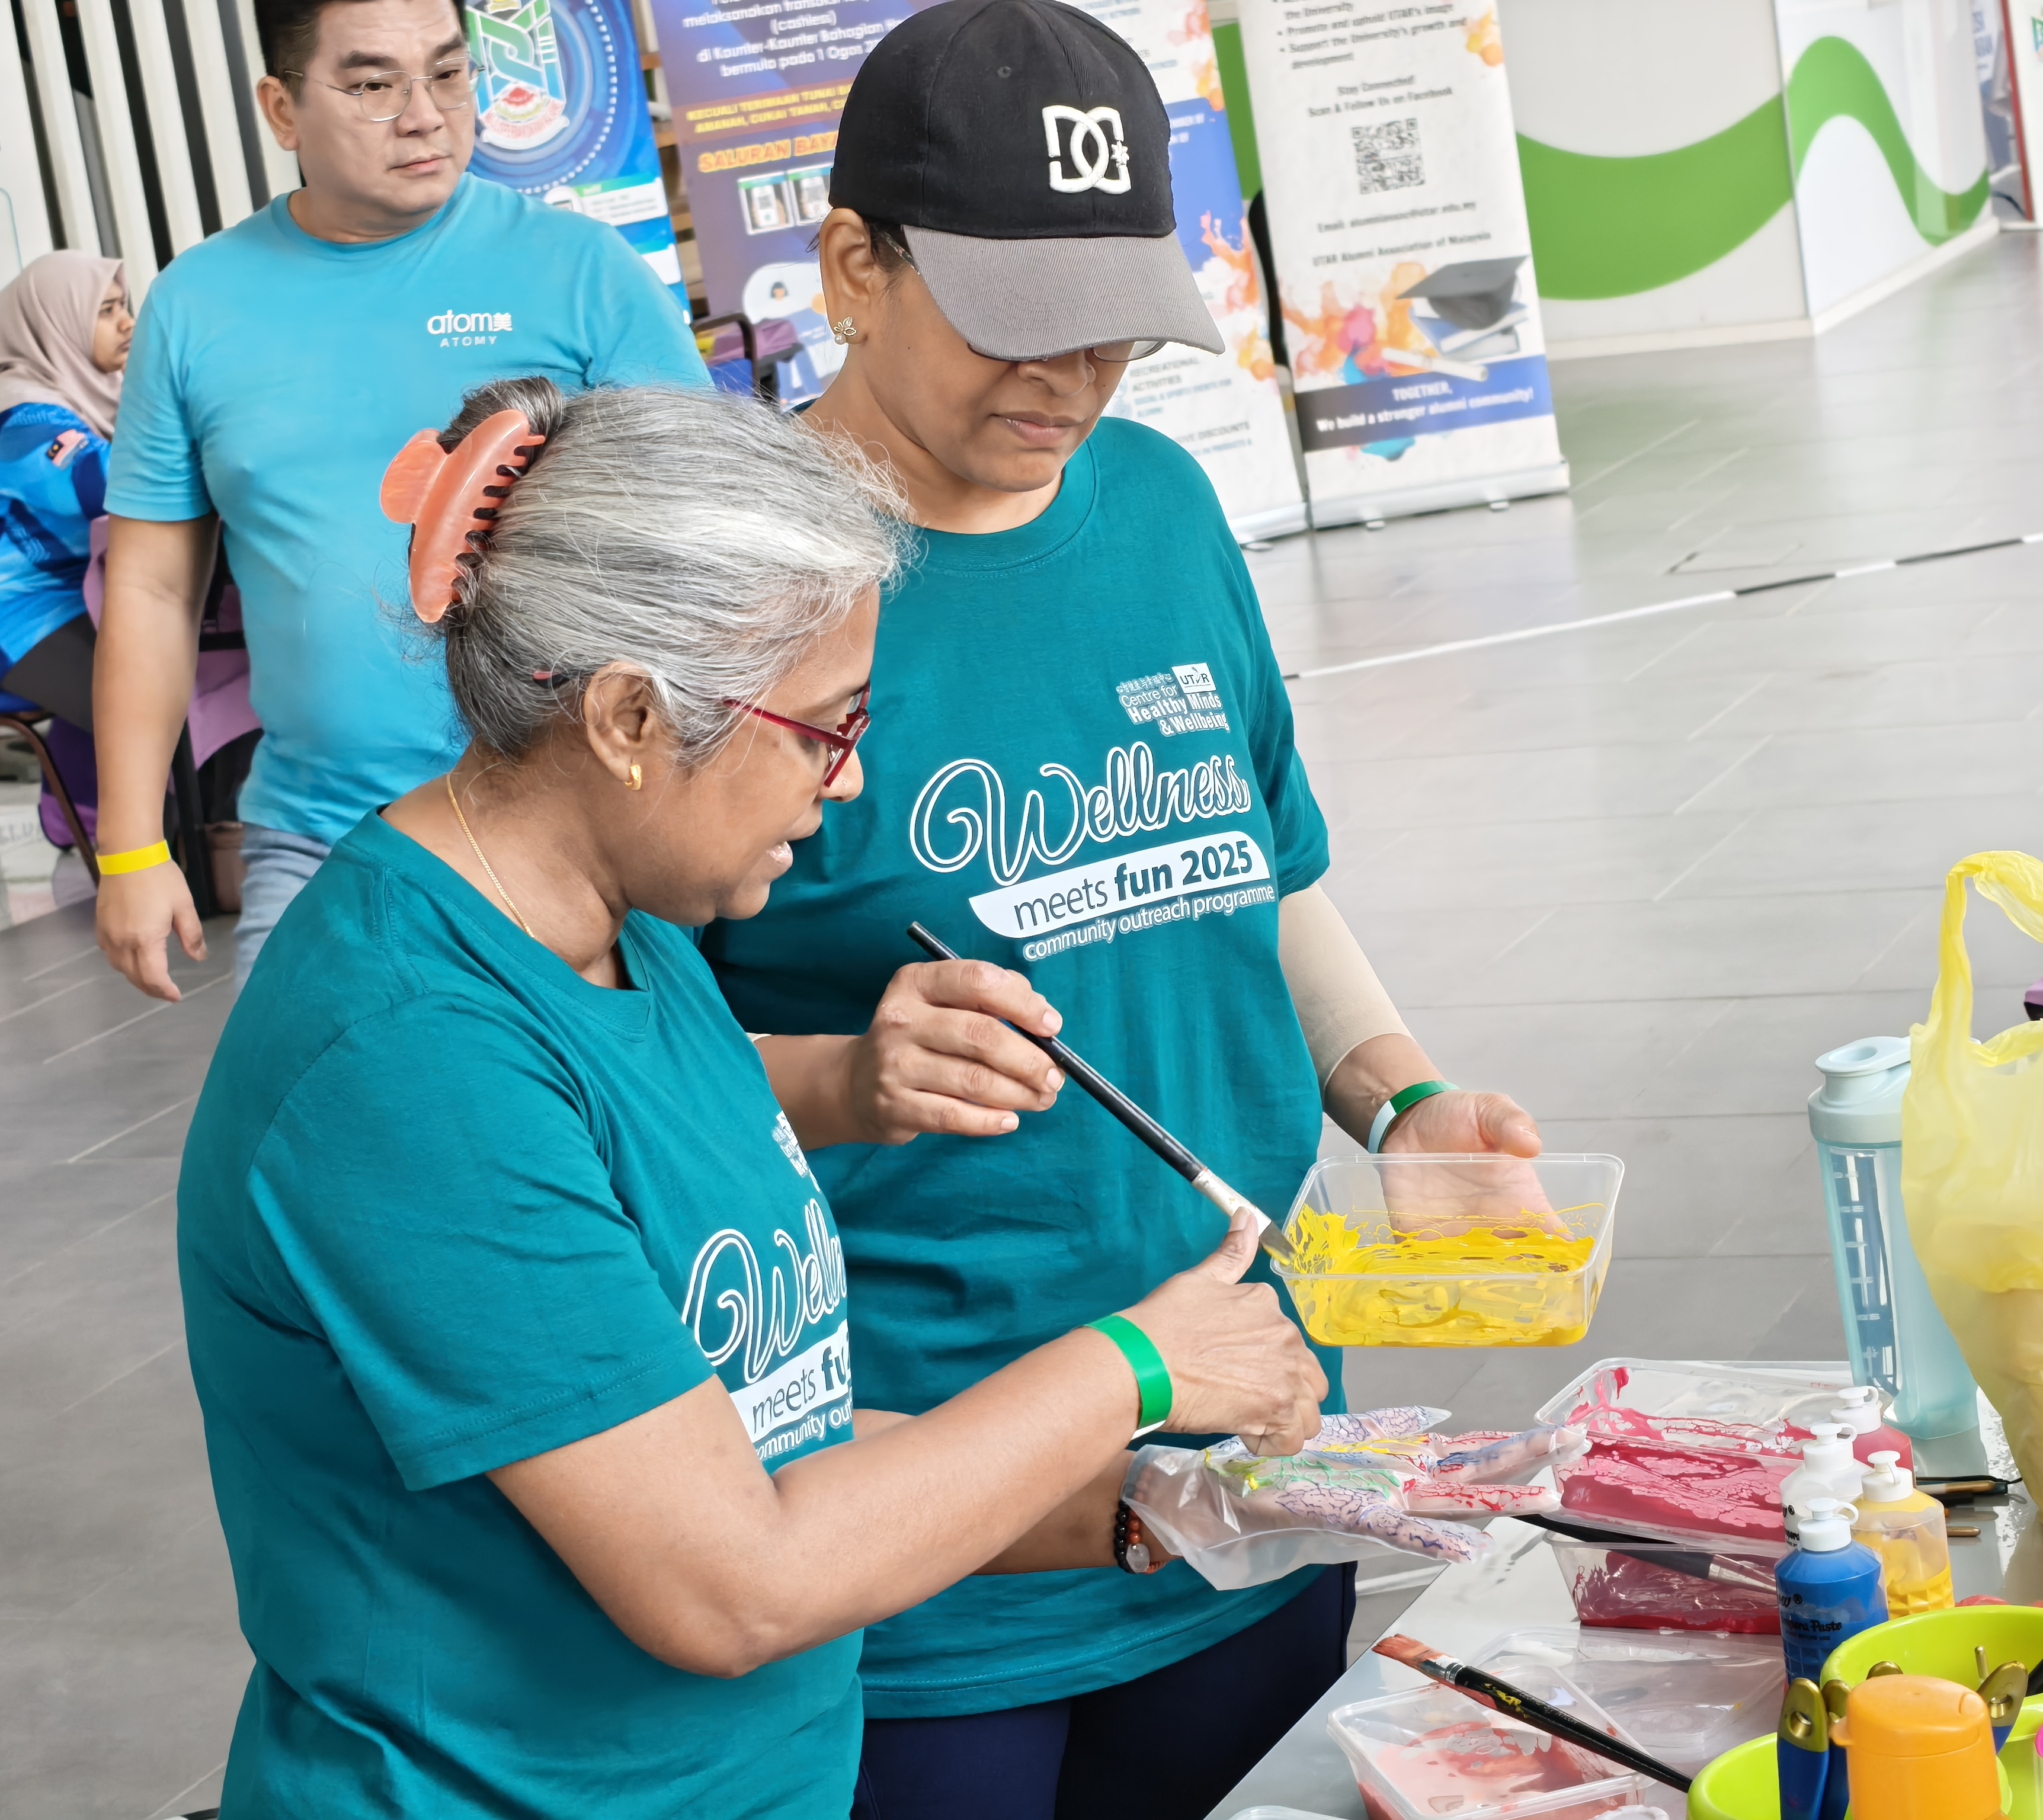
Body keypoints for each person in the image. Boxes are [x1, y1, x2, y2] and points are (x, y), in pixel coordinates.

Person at [177, 377, 1325, 1819]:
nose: (847, 788)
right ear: (627, 717)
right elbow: (729, 1578)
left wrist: (1159, 1503)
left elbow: (775, 1434)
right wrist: (1138, 1364)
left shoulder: (631, 931)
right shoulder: (409, 1060)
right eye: (826, 729)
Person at [699, 5, 1545, 1814]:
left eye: (1115, 324)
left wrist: (1401, 1101)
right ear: (853, 265)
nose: (1073, 378)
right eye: (1015, 322)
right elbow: (604, 1056)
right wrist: (844, 1069)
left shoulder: (1158, 506)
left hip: (1243, 1441)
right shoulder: (742, 588)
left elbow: (1258, 871)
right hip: (923, 1501)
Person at [95, 0, 706, 999]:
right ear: (281, 109)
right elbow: (154, 592)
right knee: (319, 1141)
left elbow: (703, 541)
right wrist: (128, 848)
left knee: (596, 1147)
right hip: (321, 837)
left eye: (450, 74)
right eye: (374, 85)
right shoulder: (195, 307)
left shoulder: (581, 272)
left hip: (576, 827)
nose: (425, 115)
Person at [0, 250, 130, 727]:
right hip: (8, 617)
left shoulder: (99, 396)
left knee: (188, 676)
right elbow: (97, 485)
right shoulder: (20, 421)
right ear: (56, 323)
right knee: (139, 712)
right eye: (106, 311)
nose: (128, 323)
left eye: (124, 306)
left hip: (88, 596)